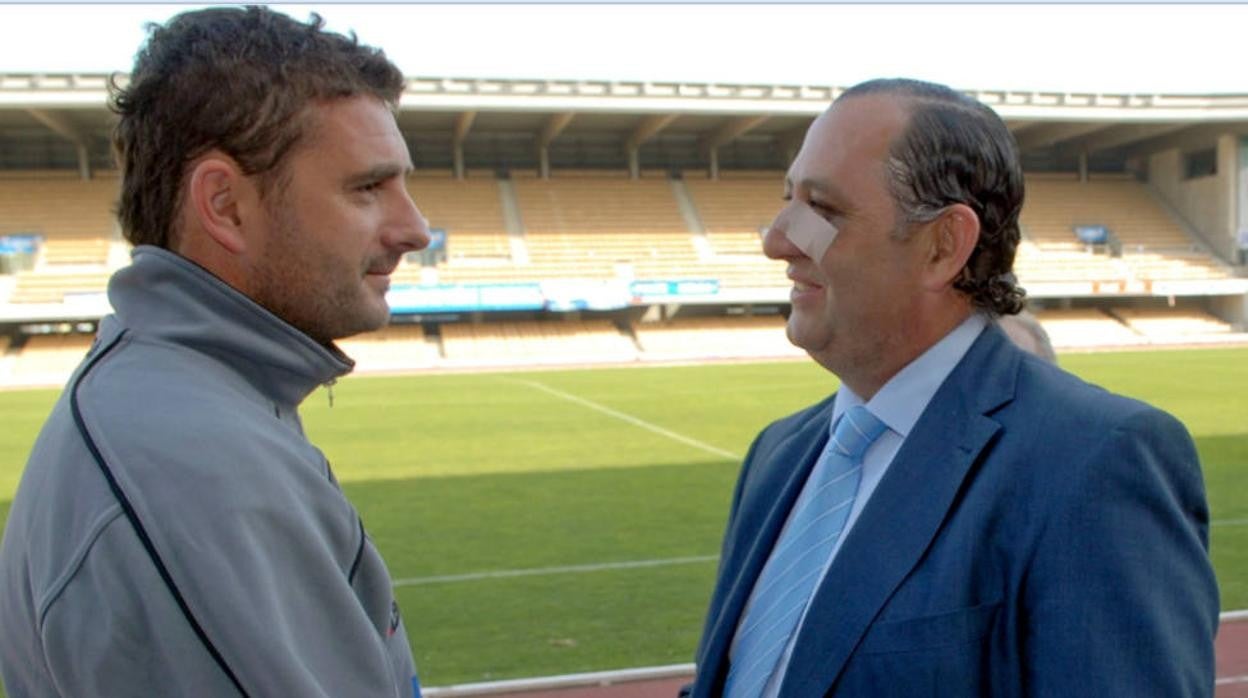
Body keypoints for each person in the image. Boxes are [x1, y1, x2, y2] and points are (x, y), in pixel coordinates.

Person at [686, 78, 1218, 697]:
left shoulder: (1093, 462)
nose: (778, 240)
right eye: (788, 202)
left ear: (943, 246)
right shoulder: (777, 455)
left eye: (822, 211)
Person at [0, 7, 429, 697]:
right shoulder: (186, 465)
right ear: (224, 206)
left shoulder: (200, 406)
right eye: (368, 188)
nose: (416, 228)